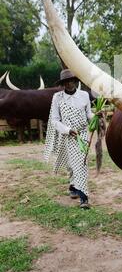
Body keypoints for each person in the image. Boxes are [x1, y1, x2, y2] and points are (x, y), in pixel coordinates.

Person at [44, 69, 94, 209]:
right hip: (66, 136)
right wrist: (67, 130)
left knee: (81, 165)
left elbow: (88, 114)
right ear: (63, 83)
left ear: (75, 81)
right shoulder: (57, 98)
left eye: (71, 81)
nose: (69, 84)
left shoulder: (84, 95)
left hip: (82, 135)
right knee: (71, 164)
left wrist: (96, 118)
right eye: (66, 82)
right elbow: (54, 120)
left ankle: (84, 198)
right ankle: (73, 187)